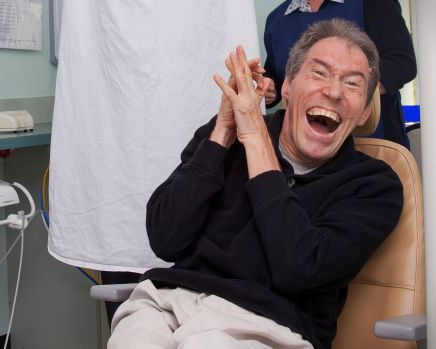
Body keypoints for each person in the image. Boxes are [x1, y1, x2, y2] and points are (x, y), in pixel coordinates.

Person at [107, 19, 403, 349]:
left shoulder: (375, 185)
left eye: (352, 84)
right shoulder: (226, 135)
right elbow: (165, 239)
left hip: (268, 326)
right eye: (319, 73)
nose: (333, 92)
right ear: (288, 86)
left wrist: (255, 140)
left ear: (363, 111)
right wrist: (222, 134)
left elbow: (298, 270)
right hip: (166, 304)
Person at [263, 0, 416, 148]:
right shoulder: (276, 20)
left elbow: (402, 62)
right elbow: (276, 75)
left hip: (374, 141)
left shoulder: (374, 4)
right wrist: (269, 90)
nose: (332, 92)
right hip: (304, 144)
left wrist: (353, 88)